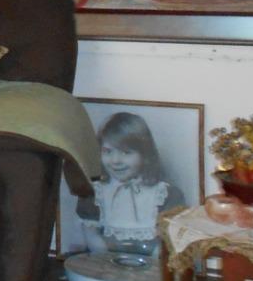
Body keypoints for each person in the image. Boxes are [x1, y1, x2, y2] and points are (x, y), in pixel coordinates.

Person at [76, 111, 185, 261]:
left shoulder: (165, 194)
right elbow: (92, 236)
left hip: (151, 270)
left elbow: (166, 243)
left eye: (126, 153)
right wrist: (106, 264)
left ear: (145, 154)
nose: (115, 160)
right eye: (107, 151)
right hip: (106, 267)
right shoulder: (95, 194)